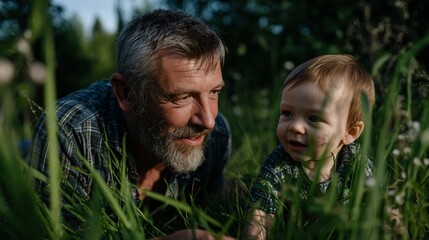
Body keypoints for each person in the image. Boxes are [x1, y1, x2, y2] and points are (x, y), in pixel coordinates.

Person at [28, 9, 234, 240]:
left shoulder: (217, 136)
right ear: (126, 93)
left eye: (215, 92)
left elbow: (214, 197)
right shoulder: (70, 134)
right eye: (181, 97)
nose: (208, 120)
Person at [246, 54, 376, 239]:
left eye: (314, 118)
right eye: (287, 113)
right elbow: (260, 216)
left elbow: (379, 204)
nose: (296, 127)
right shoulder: (279, 165)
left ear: (351, 132)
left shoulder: (356, 164)